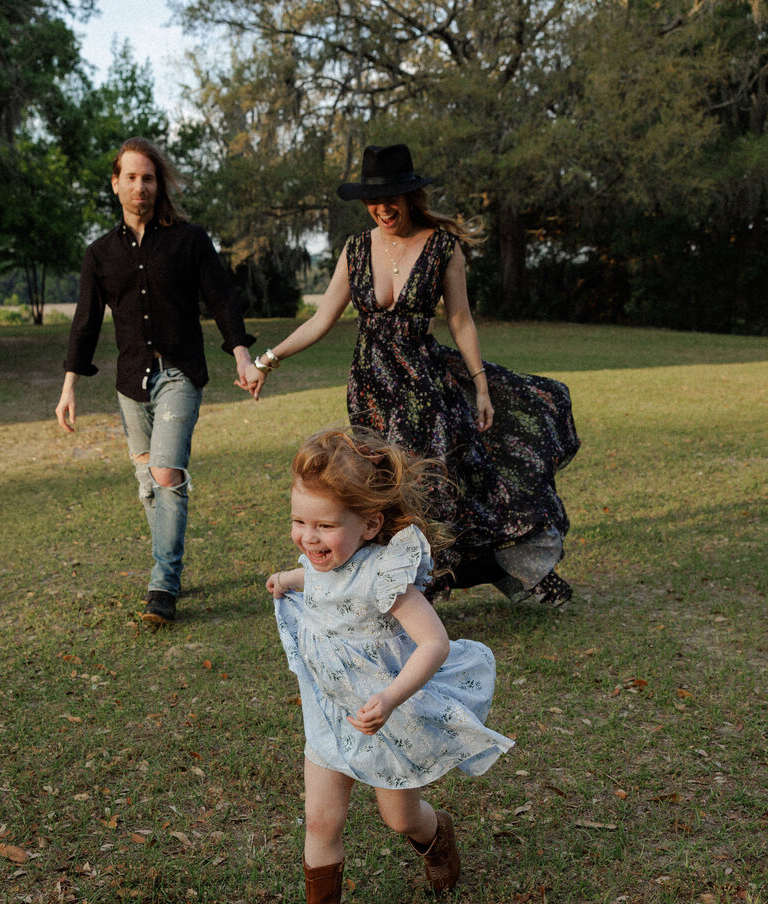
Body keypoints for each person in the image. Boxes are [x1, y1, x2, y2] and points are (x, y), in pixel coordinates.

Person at [243, 144, 579, 602]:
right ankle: (399, 587)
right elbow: (321, 320)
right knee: (383, 489)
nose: (383, 208)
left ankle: (437, 587)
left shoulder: (443, 247)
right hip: (370, 390)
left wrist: (481, 385)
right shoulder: (356, 249)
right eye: (373, 200)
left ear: (411, 196)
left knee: (430, 488)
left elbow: (460, 320)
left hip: (424, 388)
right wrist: (266, 361)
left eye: (392, 198)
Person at [265, 427, 513, 904]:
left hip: (387, 718)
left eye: (325, 526)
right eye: (299, 522)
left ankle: (436, 836)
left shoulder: (386, 574)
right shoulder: (319, 558)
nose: (309, 538)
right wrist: (288, 578)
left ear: (370, 524)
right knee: (321, 819)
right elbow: (320, 580)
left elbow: (434, 643)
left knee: (398, 817)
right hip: (329, 715)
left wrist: (391, 698)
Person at [57, 137, 258, 626]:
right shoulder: (100, 254)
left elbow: (222, 298)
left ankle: (163, 583)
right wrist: (68, 387)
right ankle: (167, 569)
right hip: (131, 382)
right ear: (115, 184)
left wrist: (241, 354)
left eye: (148, 178)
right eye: (130, 177)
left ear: (158, 184)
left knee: (166, 473)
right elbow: (85, 322)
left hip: (179, 373)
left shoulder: (189, 240)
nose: (140, 187)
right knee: (148, 482)